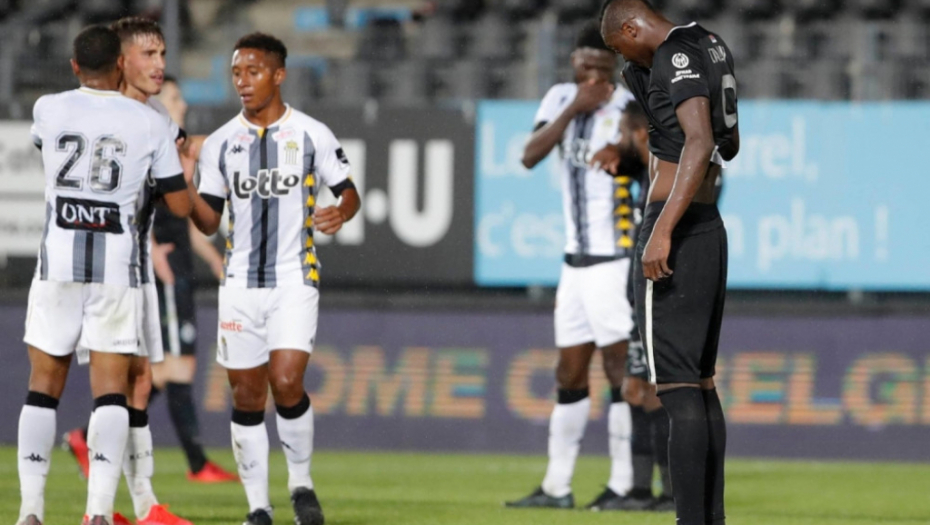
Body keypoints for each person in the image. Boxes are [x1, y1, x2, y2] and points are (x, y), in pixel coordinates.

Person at [17, 24, 191, 525]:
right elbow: (179, 204)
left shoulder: (48, 108)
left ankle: (30, 510)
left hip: (57, 266)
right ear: (120, 64)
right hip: (116, 270)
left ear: (74, 66)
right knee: (113, 394)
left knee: (41, 389)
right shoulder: (149, 123)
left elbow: (45, 147)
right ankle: (97, 514)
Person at [186, 32, 361, 525]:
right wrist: (183, 189)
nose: (243, 82)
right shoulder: (220, 143)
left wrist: (341, 211)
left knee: (286, 380)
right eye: (236, 73)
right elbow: (208, 221)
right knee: (246, 395)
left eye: (254, 71)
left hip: (293, 277)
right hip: (239, 283)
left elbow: (348, 191)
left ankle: (301, 484)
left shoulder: (311, 134)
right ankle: (258, 508)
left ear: (278, 75)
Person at [600, 1, 740, 524]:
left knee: (677, 389)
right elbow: (729, 143)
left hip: (673, 226)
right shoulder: (709, 44)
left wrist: (660, 231)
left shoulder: (672, 56)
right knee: (701, 385)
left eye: (619, 46)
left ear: (631, 27)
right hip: (708, 225)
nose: (622, 57)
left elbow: (698, 142)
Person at [505, 21, 642, 511]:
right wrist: (572, 109)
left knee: (618, 371)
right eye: (588, 68)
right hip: (573, 264)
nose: (596, 80)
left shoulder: (628, 105)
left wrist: (623, 152)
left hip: (613, 260)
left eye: (604, 70)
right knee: (568, 373)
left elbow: (647, 163)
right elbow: (529, 156)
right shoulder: (560, 98)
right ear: (575, 62)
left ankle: (624, 484)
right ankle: (557, 486)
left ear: (615, 67)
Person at [149, 75, 239, 484]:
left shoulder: (176, 151)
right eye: (173, 97)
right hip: (166, 268)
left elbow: (187, 220)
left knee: (168, 371)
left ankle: (88, 436)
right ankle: (197, 463)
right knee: (177, 368)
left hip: (182, 266)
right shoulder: (150, 147)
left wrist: (216, 260)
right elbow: (133, 205)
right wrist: (151, 249)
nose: (181, 104)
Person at [616, 100, 674, 512]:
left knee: (655, 393)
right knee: (635, 390)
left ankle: (670, 492)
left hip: (658, 298)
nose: (617, 140)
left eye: (622, 132)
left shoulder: (666, 177)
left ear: (639, 133)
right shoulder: (642, 173)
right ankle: (639, 491)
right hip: (636, 299)